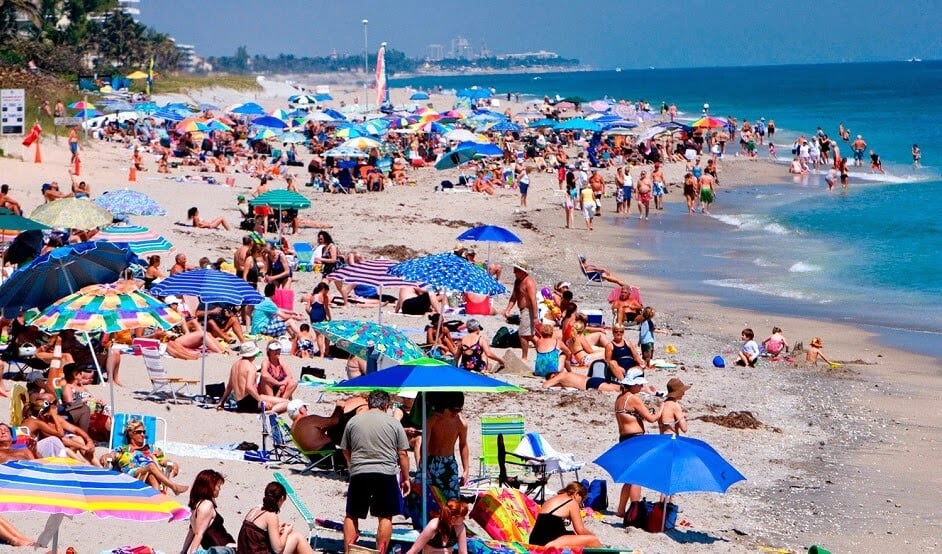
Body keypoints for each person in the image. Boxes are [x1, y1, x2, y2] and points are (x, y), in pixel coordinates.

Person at [341, 390, 411, 554]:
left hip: (359, 472)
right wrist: (405, 478)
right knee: (385, 516)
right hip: (385, 473)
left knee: (352, 513)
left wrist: (352, 465)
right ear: (386, 406)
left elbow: (345, 450)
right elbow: (403, 454)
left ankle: (348, 551)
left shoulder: (354, 421)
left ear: (370, 403)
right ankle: (381, 551)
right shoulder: (394, 423)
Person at [613, 369, 659, 518]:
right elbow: (651, 418)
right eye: (639, 384)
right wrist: (662, 408)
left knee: (629, 476)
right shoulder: (632, 398)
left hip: (624, 439)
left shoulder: (620, 398)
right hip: (636, 438)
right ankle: (635, 512)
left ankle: (621, 510)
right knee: (636, 477)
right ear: (633, 385)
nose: (641, 387)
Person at [101, 418, 188, 495]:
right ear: (130, 434)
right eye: (139, 432)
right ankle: (173, 486)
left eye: (144, 432)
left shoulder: (152, 448)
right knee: (151, 466)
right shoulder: (123, 449)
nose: (142, 434)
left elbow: (162, 461)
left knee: (152, 475)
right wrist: (107, 455)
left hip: (148, 474)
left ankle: (156, 502)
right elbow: (112, 456)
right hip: (131, 478)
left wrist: (173, 463)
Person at [237, 481, 314, 554]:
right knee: (297, 536)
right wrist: (286, 531)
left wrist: (277, 530)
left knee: (290, 536)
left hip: (244, 551)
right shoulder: (271, 516)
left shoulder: (254, 510)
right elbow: (278, 549)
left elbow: (256, 535)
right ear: (282, 498)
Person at [216, 342, 291, 414]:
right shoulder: (250, 367)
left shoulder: (235, 365)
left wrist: (221, 402)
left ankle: (270, 408)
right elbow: (249, 387)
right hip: (250, 401)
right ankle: (271, 411)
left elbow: (229, 386)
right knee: (287, 403)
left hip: (239, 404)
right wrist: (261, 400)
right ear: (253, 354)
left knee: (274, 401)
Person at [425, 391, 469, 502]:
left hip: (448, 462)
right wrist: (424, 466)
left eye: (458, 410)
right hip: (431, 460)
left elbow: (463, 444)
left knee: (453, 499)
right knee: (427, 498)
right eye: (452, 410)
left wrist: (466, 469)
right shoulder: (432, 421)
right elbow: (424, 445)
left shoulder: (461, 423)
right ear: (444, 406)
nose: (455, 413)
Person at [528, 482, 602, 548]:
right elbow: (580, 530)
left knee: (573, 535)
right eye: (582, 499)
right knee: (593, 540)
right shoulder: (572, 502)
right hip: (548, 542)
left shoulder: (551, 499)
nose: (581, 504)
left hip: (534, 540)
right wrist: (594, 537)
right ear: (576, 494)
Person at [181, 469, 237, 553]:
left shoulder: (196, 504)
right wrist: (192, 552)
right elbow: (198, 534)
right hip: (222, 550)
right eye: (218, 486)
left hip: (220, 548)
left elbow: (192, 531)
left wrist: (183, 551)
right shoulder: (207, 505)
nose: (219, 489)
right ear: (210, 486)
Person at [502, 260, 538, 361]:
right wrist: (507, 309)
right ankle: (542, 350)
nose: (514, 273)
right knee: (530, 335)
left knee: (523, 334)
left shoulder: (529, 282)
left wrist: (535, 316)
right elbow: (514, 297)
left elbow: (533, 300)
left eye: (516, 271)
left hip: (528, 310)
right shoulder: (517, 282)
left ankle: (524, 357)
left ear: (522, 271)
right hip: (522, 310)